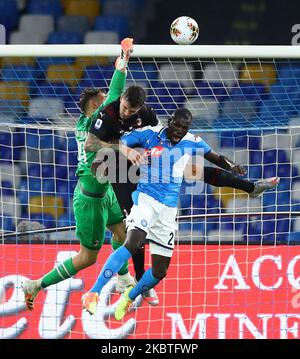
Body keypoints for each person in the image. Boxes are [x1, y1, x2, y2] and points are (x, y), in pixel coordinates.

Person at [81, 108, 279, 319]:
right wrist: (101, 159)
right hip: (146, 199)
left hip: (167, 211)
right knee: (133, 242)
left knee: (160, 271)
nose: (180, 131)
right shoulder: (149, 134)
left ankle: (130, 296)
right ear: (170, 122)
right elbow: (120, 143)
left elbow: (215, 157)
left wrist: (232, 165)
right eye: (177, 126)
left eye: (185, 128)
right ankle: (93, 292)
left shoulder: (193, 140)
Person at [21, 38, 137, 311]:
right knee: (88, 258)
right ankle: (36, 284)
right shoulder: (90, 128)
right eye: (103, 104)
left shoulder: (92, 125)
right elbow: (114, 94)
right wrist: (124, 60)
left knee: (122, 232)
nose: (111, 106)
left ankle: (121, 278)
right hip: (90, 201)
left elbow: (113, 98)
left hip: (105, 191)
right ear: (92, 108)